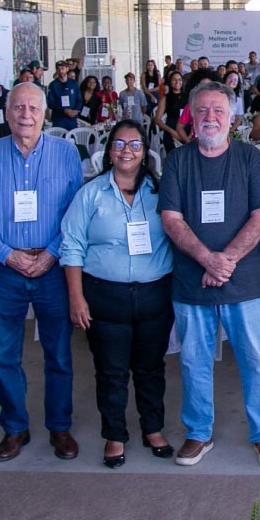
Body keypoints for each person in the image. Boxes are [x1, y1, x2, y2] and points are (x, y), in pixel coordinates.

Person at [158, 81, 260, 467]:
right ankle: (198, 433)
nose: (209, 118)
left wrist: (224, 260)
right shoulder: (178, 161)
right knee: (194, 360)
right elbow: (171, 219)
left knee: (254, 357)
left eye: (218, 111)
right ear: (191, 118)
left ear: (232, 119)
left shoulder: (248, 158)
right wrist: (206, 259)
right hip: (191, 280)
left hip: (242, 281)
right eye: (202, 111)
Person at [0, 82, 84, 462]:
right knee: (3, 353)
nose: (26, 115)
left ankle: (59, 427)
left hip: (51, 268)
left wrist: (51, 253)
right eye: (18, 107)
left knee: (59, 354)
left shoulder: (66, 154)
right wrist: (6, 254)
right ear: (6, 111)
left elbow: (75, 212)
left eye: (33, 108)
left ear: (44, 112)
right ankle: (14, 428)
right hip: (5, 269)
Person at [60, 121, 174, 468]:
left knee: (151, 368)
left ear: (145, 152)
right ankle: (114, 434)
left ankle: (152, 429)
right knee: (110, 370)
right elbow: (71, 246)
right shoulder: (90, 193)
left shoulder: (161, 190)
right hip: (104, 296)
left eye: (135, 144)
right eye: (120, 144)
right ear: (108, 151)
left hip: (154, 294)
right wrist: (76, 298)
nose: (127, 151)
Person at [47, 61, 83, 131]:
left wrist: (77, 110)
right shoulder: (53, 85)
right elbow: (50, 103)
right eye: (58, 69)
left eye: (62, 68)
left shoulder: (74, 83)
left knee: (72, 138)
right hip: (59, 118)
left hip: (72, 118)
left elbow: (79, 99)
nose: (61, 71)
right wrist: (63, 110)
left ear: (67, 69)